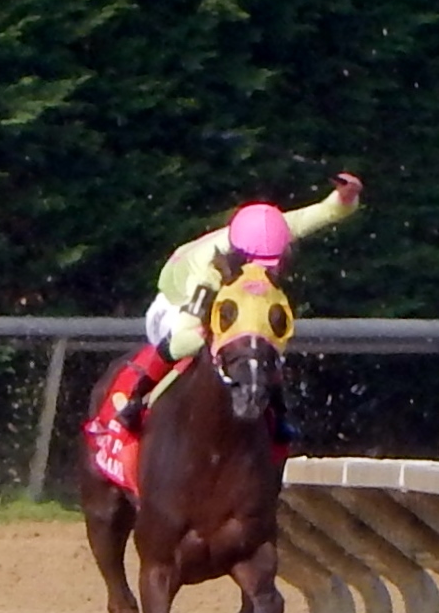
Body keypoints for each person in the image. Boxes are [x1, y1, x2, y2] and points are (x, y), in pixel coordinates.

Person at [92, 174, 362, 446]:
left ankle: (279, 412)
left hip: (232, 297)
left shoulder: (270, 233)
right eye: (262, 264)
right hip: (176, 305)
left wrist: (344, 198)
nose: (269, 270)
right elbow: (185, 334)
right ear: (240, 254)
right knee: (196, 340)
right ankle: (136, 400)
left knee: (262, 335)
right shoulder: (208, 271)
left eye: (272, 264)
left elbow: (320, 214)